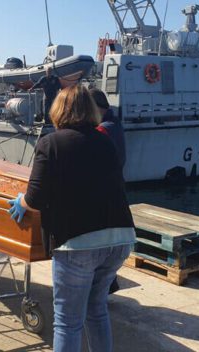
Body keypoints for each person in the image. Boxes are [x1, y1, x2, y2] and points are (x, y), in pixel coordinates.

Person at [7, 85, 136, 352]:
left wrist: (20, 201)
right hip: (119, 239)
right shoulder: (105, 140)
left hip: (78, 243)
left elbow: (35, 198)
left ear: (58, 110)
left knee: (67, 322)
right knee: (96, 309)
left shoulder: (50, 144)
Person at [89, 88, 127, 295]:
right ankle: (108, 283)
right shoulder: (116, 125)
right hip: (116, 189)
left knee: (100, 242)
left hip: (103, 192)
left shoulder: (102, 130)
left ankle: (105, 285)